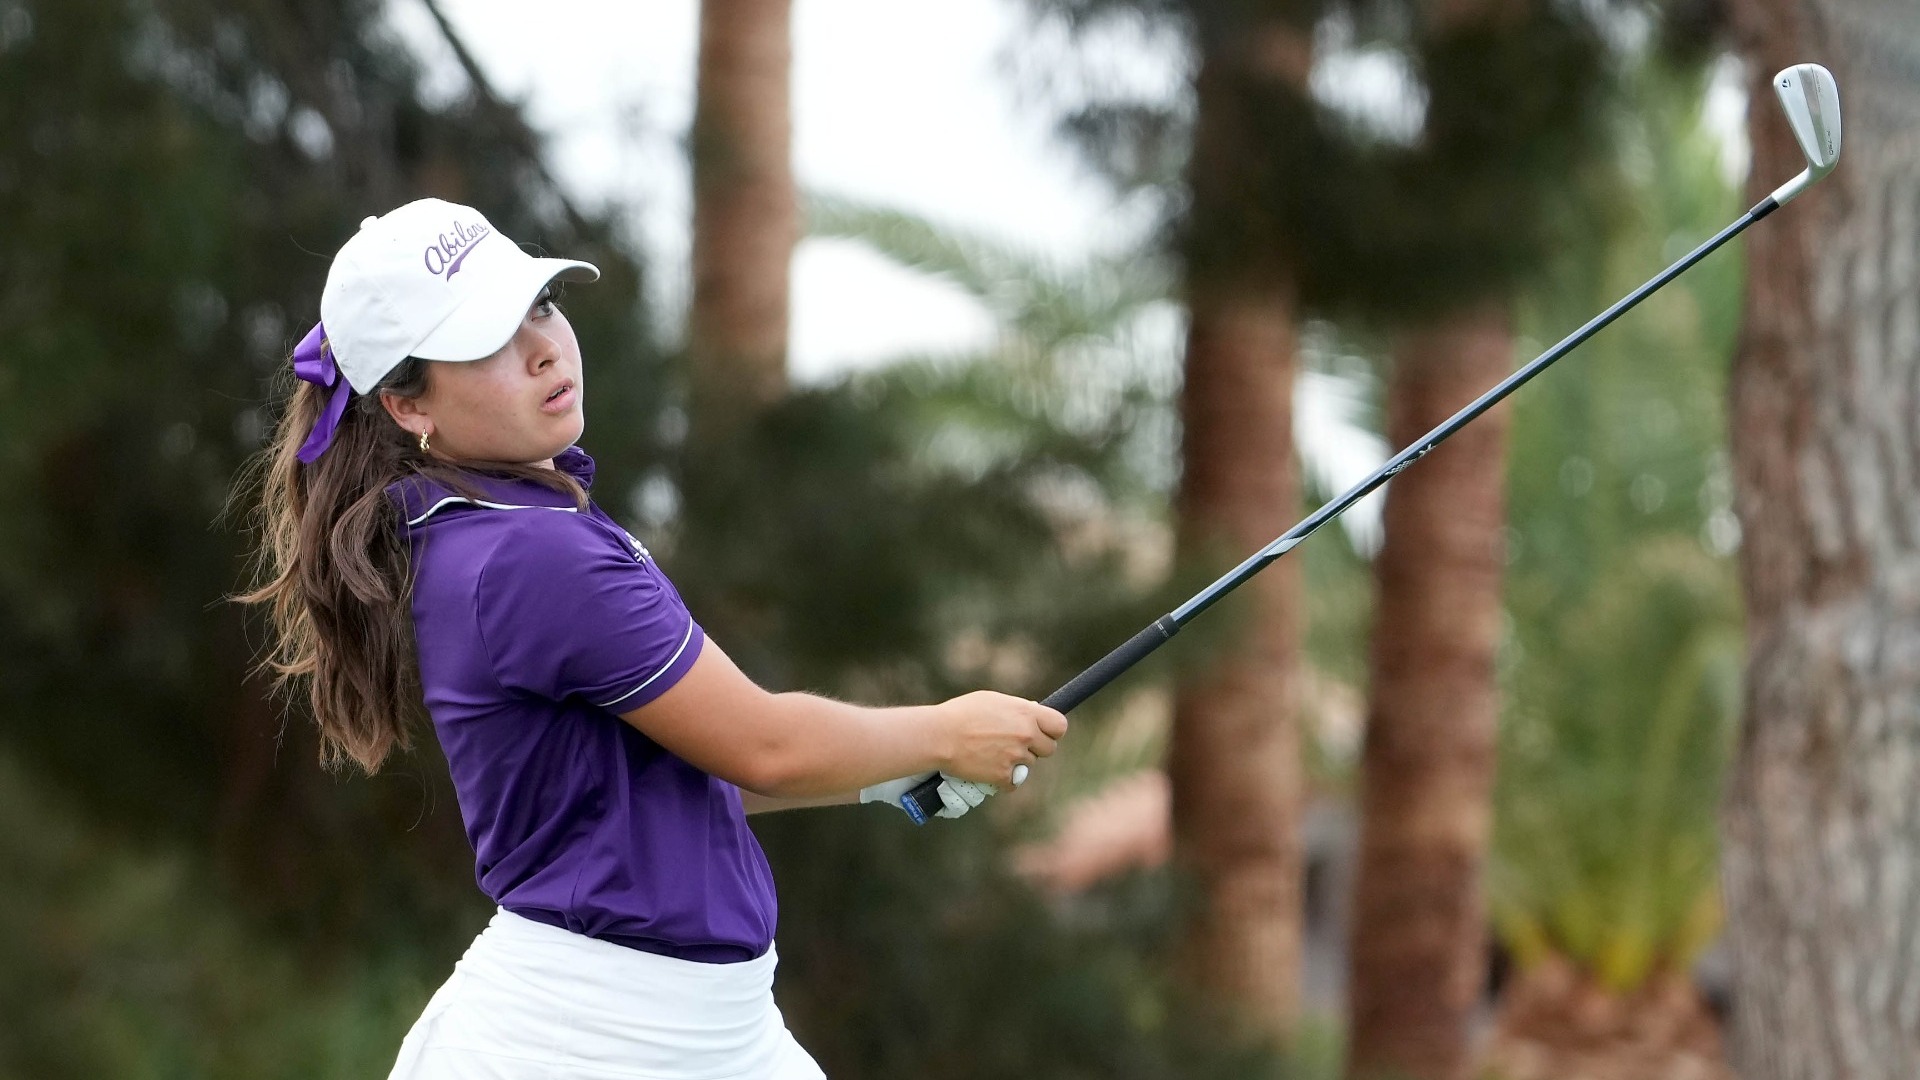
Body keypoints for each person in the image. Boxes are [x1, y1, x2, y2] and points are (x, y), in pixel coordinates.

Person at [238, 198, 1068, 1079]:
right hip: (585, 1044)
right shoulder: (531, 552)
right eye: (487, 340)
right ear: (407, 405)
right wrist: (944, 731)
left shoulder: (492, 525)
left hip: (707, 1032)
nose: (544, 347)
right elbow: (765, 746)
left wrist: (886, 775)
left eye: (540, 306)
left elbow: (666, 777)